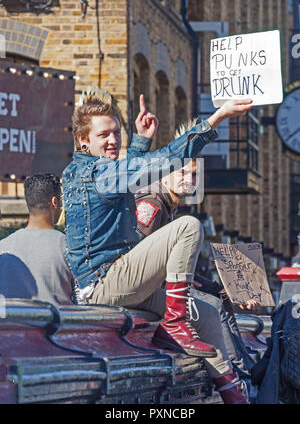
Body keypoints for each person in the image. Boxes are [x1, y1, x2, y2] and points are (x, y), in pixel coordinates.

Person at [62, 91, 253, 403]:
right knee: (189, 227)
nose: (112, 140)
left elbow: (130, 176)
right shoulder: (93, 173)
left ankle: (234, 394)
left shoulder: (102, 171)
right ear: (83, 139)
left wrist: (139, 142)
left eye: (115, 133)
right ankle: (174, 322)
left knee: (204, 313)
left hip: (123, 281)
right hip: (102, 286)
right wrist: (217, 118)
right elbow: (159, 164)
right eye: (103, 135)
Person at [135, 157, 256, 381]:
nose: (188, 180)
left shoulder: (169, 205)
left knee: (221, 297)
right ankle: (236, 373)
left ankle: (245, 364)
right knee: (213, 305)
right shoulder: (152, 203)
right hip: (146, 289)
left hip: (164, 284)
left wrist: (227, 290)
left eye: (193, 175)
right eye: (182, 173)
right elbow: (139, 259)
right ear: (163, 174)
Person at [0, 173, 73, 306]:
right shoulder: (69, 246)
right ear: (55, 202)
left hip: (12, 324)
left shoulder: (3, 247)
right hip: (58, 324)